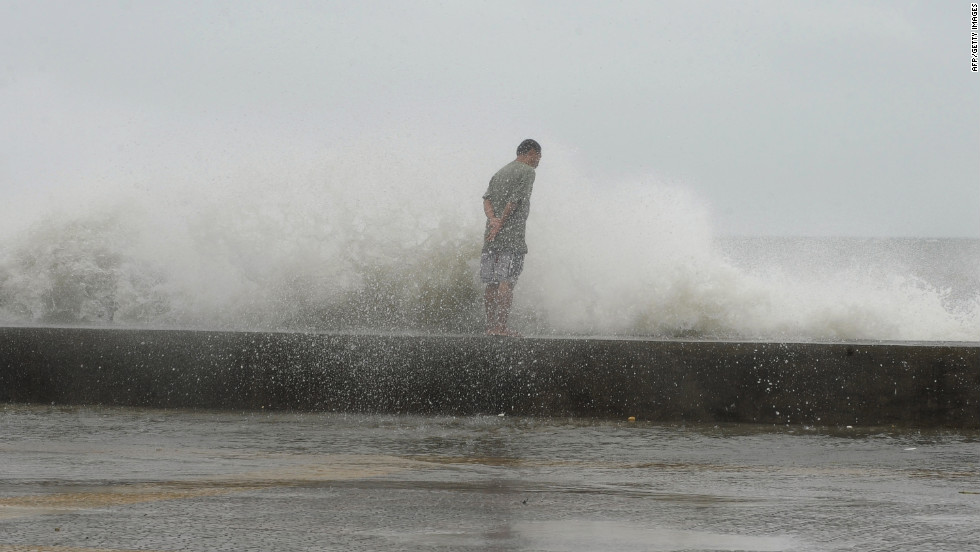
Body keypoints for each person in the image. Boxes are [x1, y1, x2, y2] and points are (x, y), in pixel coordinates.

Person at [480, 139, 542, 336]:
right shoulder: (528, 172)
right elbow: (514, 201)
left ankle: (490, 327)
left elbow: (486, 199)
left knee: (491, 283)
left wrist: (493, 220)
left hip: (490, 237)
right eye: (539, 156)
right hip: (511, 237)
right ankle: (501, 327)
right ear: (530, 152)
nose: (539, 161)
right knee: (506, 282)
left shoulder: (500, 172)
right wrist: (502, 222)